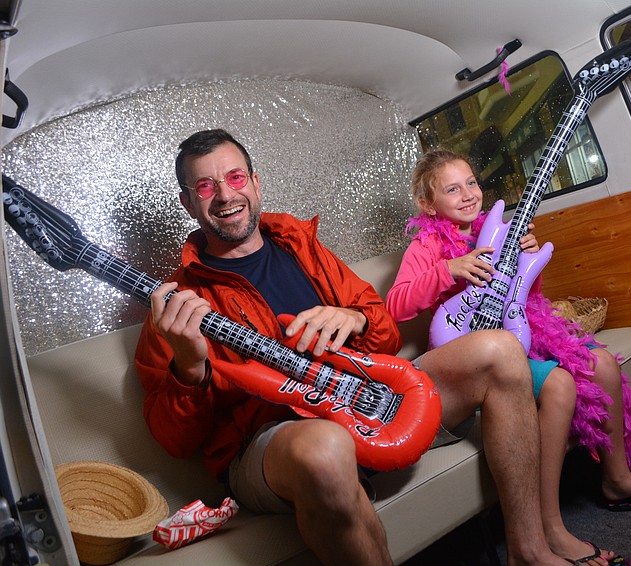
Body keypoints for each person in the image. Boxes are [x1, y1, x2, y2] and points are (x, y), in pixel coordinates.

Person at [135, 129, 582, 566]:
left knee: (501, 349)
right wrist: (189, 369)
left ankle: (530, 552)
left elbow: (385, 332)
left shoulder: (300, 245)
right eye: (206, 186)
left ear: (255, 183)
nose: (225, 195)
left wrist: (357, 318)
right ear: (188, 202)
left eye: (235, 178)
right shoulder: (176, 301)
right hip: (276, 440)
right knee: (326, 447)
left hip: (372, 399)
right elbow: (176, 442)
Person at [385, 149, 631, 562]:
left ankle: (617, 478)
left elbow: (528, 296)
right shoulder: (427, 246)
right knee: (560, 385)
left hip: (520, 330)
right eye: (452, 189)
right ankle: (549, 524)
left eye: (472, 183)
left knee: (601, 364)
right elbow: (395, 306)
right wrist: (449, 270)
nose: (467, 194)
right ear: (428, 204)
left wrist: (529, 257)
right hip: (476, 351)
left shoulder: (499, 229)